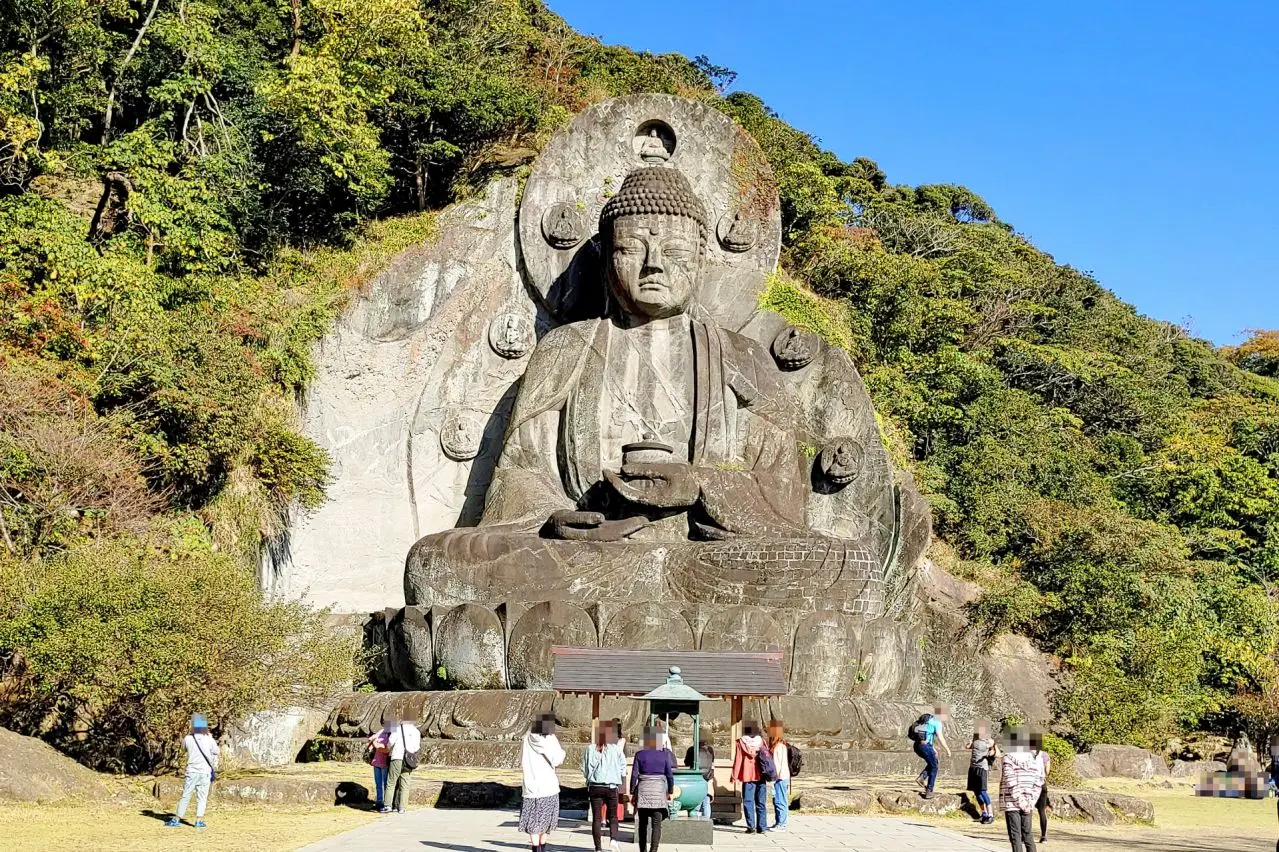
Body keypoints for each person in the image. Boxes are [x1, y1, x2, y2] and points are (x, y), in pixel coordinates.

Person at [520, 713, 565, 852]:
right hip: (548, 786)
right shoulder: (550, 738)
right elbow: (557, 759)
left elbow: (521, 759)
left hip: (530, 787)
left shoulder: (526, 738)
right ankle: (542, 848)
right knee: (546, 822)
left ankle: (535, 848)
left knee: (533, 822)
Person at [166, 713, 220, 828]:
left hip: (192, 771)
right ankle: (199, 820)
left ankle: (177, 819)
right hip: (205, 772)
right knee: (202, 797)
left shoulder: (188, 738)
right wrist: (210, 738)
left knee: (186, 795)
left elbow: (183, 749)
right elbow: (216, 751)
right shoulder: (209, 739)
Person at [1000, 728, 1045, 852]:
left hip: (1012, 801)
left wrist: (1021, 802)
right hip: (1028, 801)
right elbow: (1038, 781)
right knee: (1028, 835)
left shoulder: (1008, 758)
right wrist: (1030, 802)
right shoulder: (1033, 758)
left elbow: (1011, 782)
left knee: (1015, 836)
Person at [583, 720, 625, 852]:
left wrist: (589, 778)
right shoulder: (615, 749)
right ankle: (613, 840)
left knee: (596, 818)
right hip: (611, 786)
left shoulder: (590, 749)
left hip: (595, 786)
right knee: (613, 816)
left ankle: (598, 848)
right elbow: (622, 767)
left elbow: (584, 768)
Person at [631, 726, 675, 852]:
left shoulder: (639, 755)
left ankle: (643, 850)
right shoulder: (665, 755)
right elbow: (669, 775)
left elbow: (634, 775)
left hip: (643, 791)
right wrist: (670, 790)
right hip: (658, 791)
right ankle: (654, 850)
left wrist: (632, 791)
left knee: (642, 824)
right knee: (656, 825)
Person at [731, 721, 768, 834]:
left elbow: (738, 760)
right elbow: (767, 758)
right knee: (761, 802)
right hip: (761, 775)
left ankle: (751, 826)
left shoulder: (741, 743)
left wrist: (734, 775)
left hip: (747, 775)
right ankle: (762, 827)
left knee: (748, 801)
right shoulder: (762, 742)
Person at [913, 705, 952, 799]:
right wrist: (947, 749)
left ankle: (922, 778)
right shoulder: (937, 723)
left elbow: (927, 735)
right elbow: (941, 738)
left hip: (917, 746)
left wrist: (933, 749)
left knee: (933, 763)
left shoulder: (928, 720)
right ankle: (929, 791)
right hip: (925, 747)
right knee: (934, 766)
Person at [386, 717, 421, 815]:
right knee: (405, 784)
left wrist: (388, 748)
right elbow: (417, 747)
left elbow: (390, 742)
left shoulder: (397, 728)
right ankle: (402, 807)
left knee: (391, 782)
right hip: (408, 759)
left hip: (397, 756)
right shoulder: (416, 731)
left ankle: (388, 805)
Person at [966, 722, 997, 825]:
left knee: (983, 791)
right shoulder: (975, 740)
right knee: (976, 791)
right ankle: (984, 813)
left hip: (982, 768)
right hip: (973, 767)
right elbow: (968, 747)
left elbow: (994, 753)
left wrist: (992, 749)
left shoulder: (989, 741)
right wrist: (968, 744)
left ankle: (991, 814)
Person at [768, 719, 791, 832]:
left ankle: (782, 823)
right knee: (777, 800)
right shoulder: (778, 746)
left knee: (780, 800)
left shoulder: (780, 746)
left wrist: (774, 777)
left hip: (780, 777)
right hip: (779, 777)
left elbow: (779, 764)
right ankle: (779, 822)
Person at [1030, 731, 1052, 843]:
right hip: (1042, 783)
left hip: (1030, 784)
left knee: (1028, 809)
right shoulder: (1045, 755)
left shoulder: (1027, 754)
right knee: (1042, 810)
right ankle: (1044, 836)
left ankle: (1026, 835)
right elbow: (1047, 771)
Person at [684, 740, 715, 819]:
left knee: (696, 801)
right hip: (707, 777)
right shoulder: (710, 749)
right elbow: (712, 762)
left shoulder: (692, 749)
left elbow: (686, 762)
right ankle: (706, 821)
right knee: (706, 802)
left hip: (695, 778)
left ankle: (695, 820)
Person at [367, 723, 392, 812]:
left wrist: (377, 744)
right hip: (376, 761)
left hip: (385, 762)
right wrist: (374, 743)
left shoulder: (392, 734)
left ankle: (386, 802)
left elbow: (387, 749)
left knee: (385, 784)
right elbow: (371, 739)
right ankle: (379, 802)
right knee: (378, 784)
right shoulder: (381, 731)